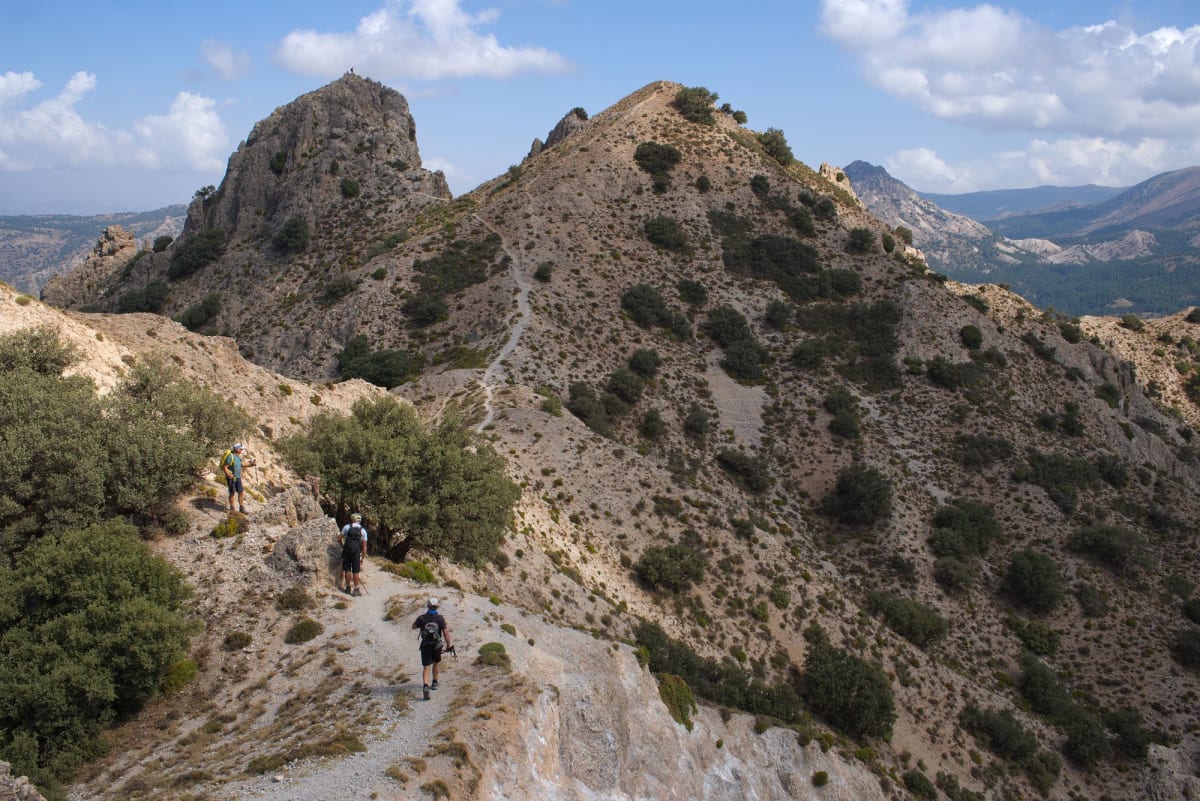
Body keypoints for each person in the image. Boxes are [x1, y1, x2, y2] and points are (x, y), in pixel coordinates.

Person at [412, 597, 452, 700]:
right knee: (436, 663)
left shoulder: (422, 618)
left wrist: (420, 622)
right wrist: (448, 644)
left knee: (426, 667)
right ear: (437, 606)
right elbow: (446, 633)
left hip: (425, 645)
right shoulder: (440, 618)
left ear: (428, 606)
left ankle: (425, 686)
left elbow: (413, 626)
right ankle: (434, 682)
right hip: (437, 646)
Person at [338, 513, 368, 596]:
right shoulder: (363, 530)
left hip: (347, 551)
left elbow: (339, 538)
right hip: (356, 552)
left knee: (347, 570)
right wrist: (363, 557)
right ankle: (356, 589)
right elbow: (364, 546)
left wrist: (343, 546)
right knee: (356, 571)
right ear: (360, 520)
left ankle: (347, 587)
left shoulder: (347, 527)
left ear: (352, 519)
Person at [223, 443, 248, 514]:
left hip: (238, 478)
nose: (242, 450)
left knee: (241, 492)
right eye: (241, 449)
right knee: (232, 493)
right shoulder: (230, 457)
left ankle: (241, 507)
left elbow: (243, 464)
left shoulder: (238, 457)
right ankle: (232, 508)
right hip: (231, 478)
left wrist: (251, 464)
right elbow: (225, 467)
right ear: (236, 449)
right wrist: (228, 474)